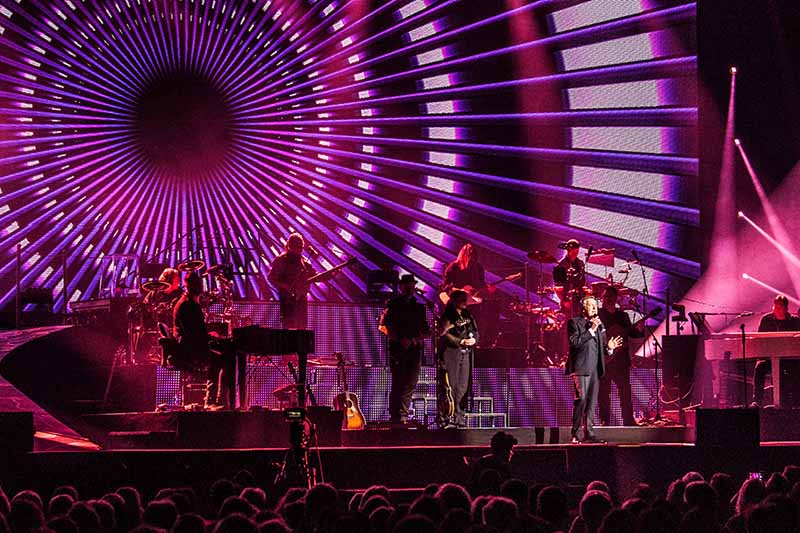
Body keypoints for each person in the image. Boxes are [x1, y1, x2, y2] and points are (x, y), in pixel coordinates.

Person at [173, 272, 235, 409]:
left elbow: (195, 332)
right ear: (198, 287)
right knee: (226, 357)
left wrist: (209, 336)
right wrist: (212, 337)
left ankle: (213, 398)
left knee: (219, 354)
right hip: (190, 350)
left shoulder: (184, 302)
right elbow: (195, 334)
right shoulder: (190, 306)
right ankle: (218, 400)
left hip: (188, 346)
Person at [566, 296, 622, 444]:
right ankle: (576, 434)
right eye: (591, 305)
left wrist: (609, 348)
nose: (595, 308)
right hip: (580, 368)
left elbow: (603, 347)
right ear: (583, 308)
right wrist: (591, 329)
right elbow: (574, 342)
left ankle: (589, 433)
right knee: (582, 399)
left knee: (591, 403)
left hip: (595, 370)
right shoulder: (574, 322)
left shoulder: (599, 325)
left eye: (595, 306)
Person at [380, 274, 431, 425]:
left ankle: (403, 415)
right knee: (398, 382)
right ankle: (396, 415)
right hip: (398, 349)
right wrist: (399, 339)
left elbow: (426, 330)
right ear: (401, 287)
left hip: (414, 350)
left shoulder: (419, 307)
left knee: (410, 383)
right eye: (407, 285)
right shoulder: (393, 305)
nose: (410, 288)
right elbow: (384, 326)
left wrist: (414, 340)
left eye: (412, 285)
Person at [597, 286, 644, 426]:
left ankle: (628, 420)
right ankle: (605, 421)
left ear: (615, 298)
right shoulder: (598, 315)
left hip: (621, 360)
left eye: (610, 296)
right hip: (605, 359)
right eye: (605, 297)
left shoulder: (623, 316)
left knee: (625, 392)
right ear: (602, 298)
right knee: (604, 393)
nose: (607, 299)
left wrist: (639, 330)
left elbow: (632, 334)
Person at [438, 290, 479, 427]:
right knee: (451, 385)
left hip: (466, 354)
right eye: (462, 299)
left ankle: (459, 418)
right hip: (451, 354)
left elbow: (476, 331)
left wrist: (473, 341)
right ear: (454, 300)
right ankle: (447, 417)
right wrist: (460, 341)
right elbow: (443, 333)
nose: (465, 302)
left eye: (465, 299)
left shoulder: (469, 316)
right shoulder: (448, 315)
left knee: (463, 386)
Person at [752, 294, 800, 407]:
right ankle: (757, 401)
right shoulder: (766, 320)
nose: (777, 310)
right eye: (775, 307)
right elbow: (760, 339)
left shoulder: (795, 321)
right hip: (770, 357)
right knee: (759, 368)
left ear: (786, 308)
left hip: (789, 359)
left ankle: (796, 403)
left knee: (797, 370)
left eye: (780, 307)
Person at [268, 233, 317, 328]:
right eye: (298, 247)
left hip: (301, 299)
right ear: (290, 246)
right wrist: (285, 286)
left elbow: (316, 276)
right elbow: (271, 277)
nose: (301, 250)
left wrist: (333, 273)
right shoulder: (281, 260)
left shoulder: (304, 261)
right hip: (288, 299)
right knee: (288, 327)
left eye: (302, 247)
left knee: (302, 327)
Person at [553, 239, 586, 318]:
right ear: (568, 250)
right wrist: (564, 301)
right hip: (567, 302)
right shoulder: (561, 265)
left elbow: (583, 281)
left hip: (578, 300)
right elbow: (557, 287)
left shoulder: (580, 263)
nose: (576, 252)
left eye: (577, 250)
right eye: (574, 250)